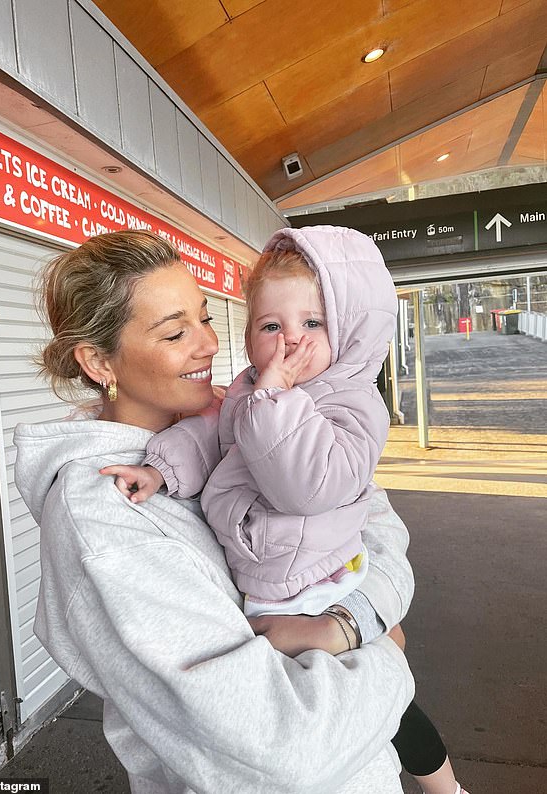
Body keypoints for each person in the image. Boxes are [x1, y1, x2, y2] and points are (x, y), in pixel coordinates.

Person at [14, 229, 416, 794]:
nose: (208, 343)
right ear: (99, 361)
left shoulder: (239, 417)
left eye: (205, 317)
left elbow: (376, 523)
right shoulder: (106, 522)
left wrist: (356, 620)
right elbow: (282, 749)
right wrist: (387, 651)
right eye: (176, 331)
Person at [101, 226, 468, 794]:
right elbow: (210, 440)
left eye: (312, 324)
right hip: (270, 580)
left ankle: (444, 786)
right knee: (366, 709)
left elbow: (306, 487)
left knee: (380, 711)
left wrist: (353, 623)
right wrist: (161, 472)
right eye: (271, 326)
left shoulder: (352, 405)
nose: (290, 343)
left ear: (348, 332)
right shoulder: (249, 391)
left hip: (315, 580)